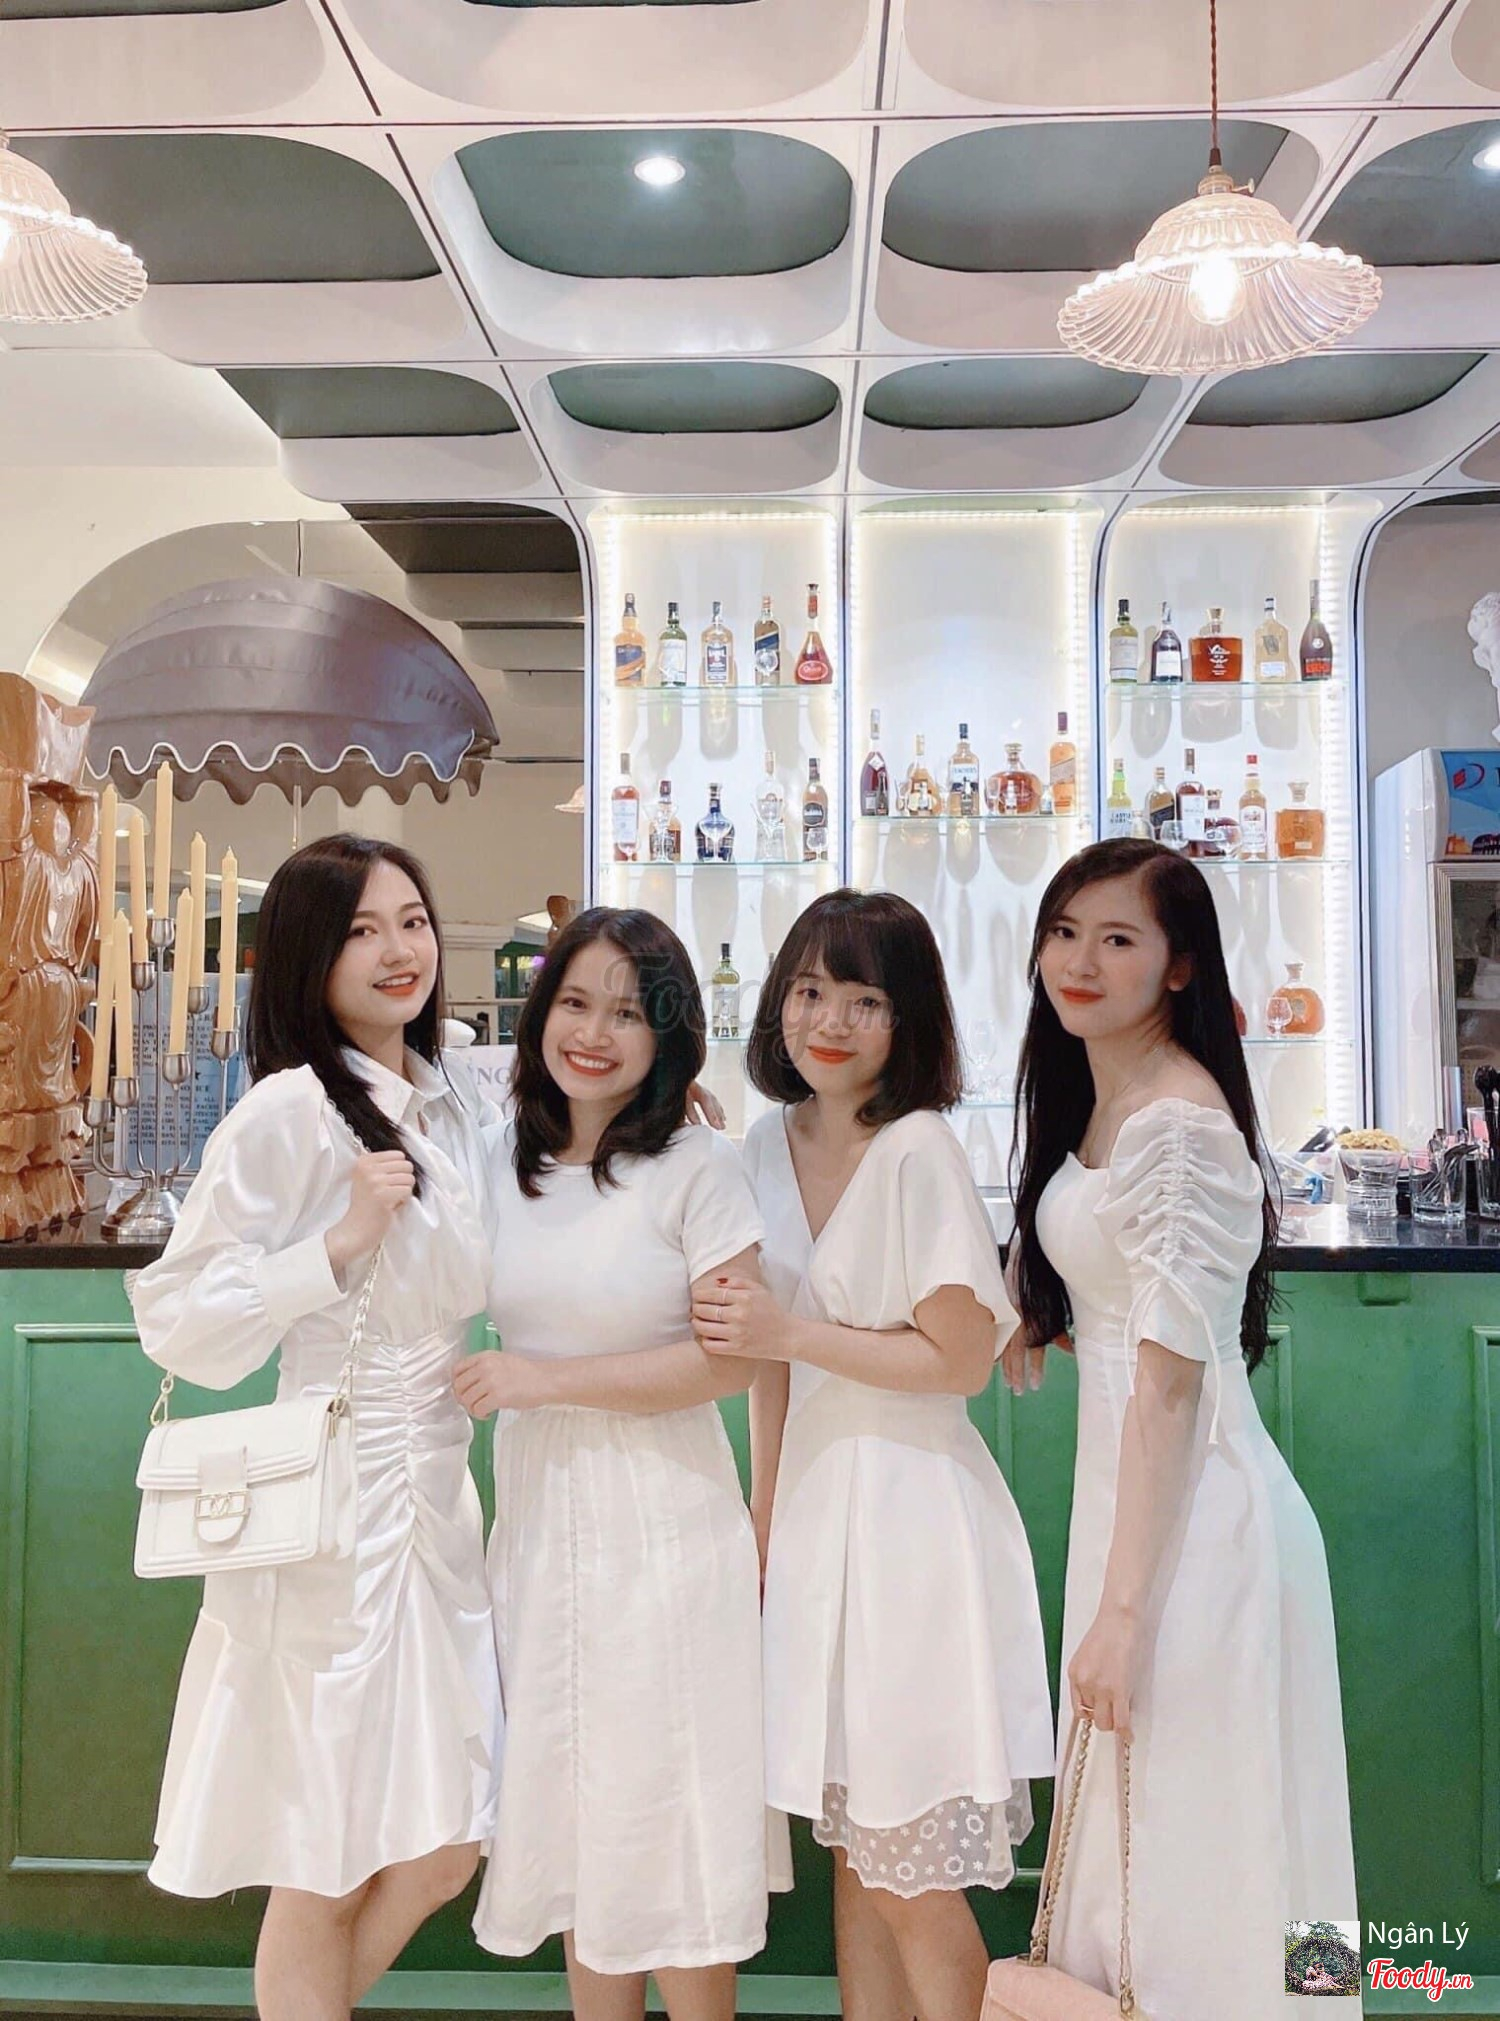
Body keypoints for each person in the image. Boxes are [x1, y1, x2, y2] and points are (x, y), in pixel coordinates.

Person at [131, 835, 502, 2021]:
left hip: (439, 1501)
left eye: (412, 920)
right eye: (360, 930)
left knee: (447, 1842)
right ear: (308, 955)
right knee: (322, 1851)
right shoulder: (289, 1112)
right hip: (334, 1517)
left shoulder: (450, 1093)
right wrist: (332, 1248)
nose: (399, 949)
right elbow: (177, 1320)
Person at [1003, 836, 1357, 2021]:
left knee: (1204, 1855)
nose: (1079, 961)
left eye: (1118, 938)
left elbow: (1167, 1389)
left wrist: (1121, 1614)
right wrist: (1041, 1304)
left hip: (1195, 1532)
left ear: (1180, 965)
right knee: (1162, 1847)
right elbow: (1127, 1289)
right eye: (1065, 931)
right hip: (1139, 1513)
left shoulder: (1178, 1124)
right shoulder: (1111, 1095)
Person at [693, 888, 1053, 2021]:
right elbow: (766, 1373)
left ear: (910, 1021)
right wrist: (763, 1527)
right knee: (857, 1845)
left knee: (907, 1864)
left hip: (912, 1519)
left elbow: (958, 1359)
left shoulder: (918, 1149)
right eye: (809, 991)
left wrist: (791, 1333)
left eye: (865, 999)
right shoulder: (762, 1146)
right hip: (815, 1516)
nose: (831, 1021)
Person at [454, 906, 778, 2021]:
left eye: (629, 1013)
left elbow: (731, 1360)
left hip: (665, 1521)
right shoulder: (500, 1153)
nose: (594, 1033)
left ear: (669, 1034)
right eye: (576, 1002)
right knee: (579, 1821)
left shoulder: (698, 1164)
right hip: (541, 1523)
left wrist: (542, 1381)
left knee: (673, 1819)